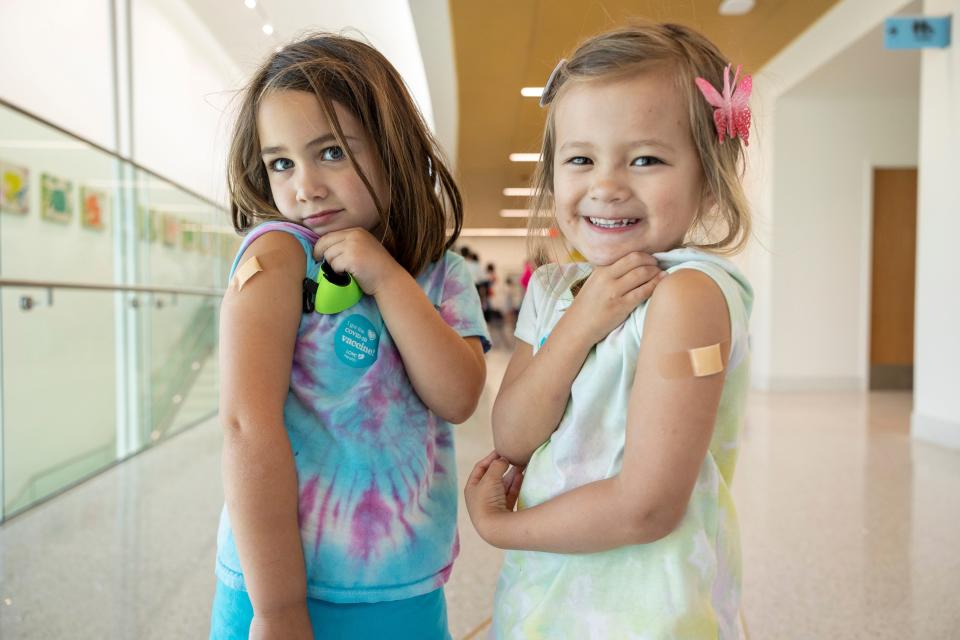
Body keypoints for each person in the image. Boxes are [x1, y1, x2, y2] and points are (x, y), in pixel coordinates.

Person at [464, 22, 753, 638]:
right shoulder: (552, 291)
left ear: (709, 181)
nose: (606, 185)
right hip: (546, 593)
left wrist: (501, 528)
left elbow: (647, 506)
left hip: (644, 611)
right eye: (580, 159)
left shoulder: (688, 296)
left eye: (646, 158)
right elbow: (512, 435)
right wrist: (580, 324)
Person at [212, 32, 489, 640]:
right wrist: (278, 609)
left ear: (392, 152)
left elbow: (458, 396)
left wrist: (388, 279)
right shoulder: (280, 258)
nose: (304, 185)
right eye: (282, 162)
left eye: (331, 152)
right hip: (279, 587)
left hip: (404, 581)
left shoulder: (439, 271)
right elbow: (245, 426)